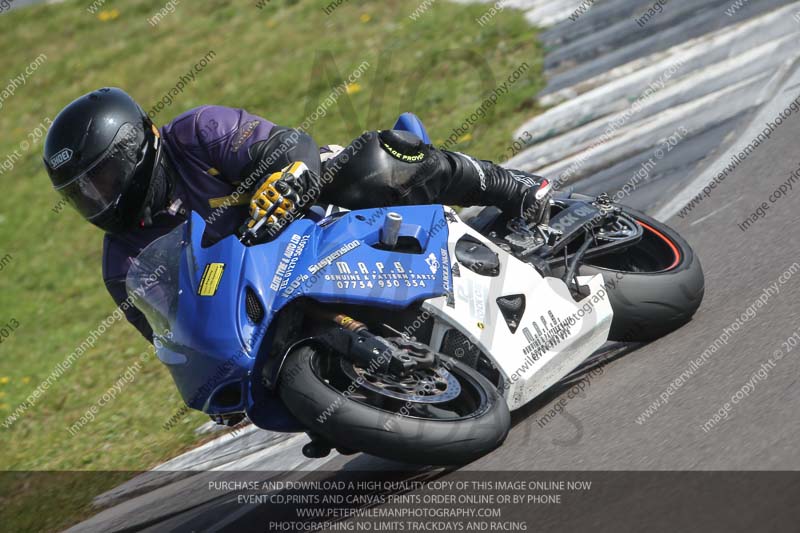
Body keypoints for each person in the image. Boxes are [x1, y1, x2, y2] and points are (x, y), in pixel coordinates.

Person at [43, 87, 550, 341]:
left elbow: (291, 144)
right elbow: (174, 335)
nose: (99, 199)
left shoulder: (198, 132)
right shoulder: (122, 265)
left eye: (103, 179)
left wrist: (283, 181)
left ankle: (514, 188)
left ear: (136, 148)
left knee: (371, 165)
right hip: (263, 295)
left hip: (316, 212)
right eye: (82, 193)